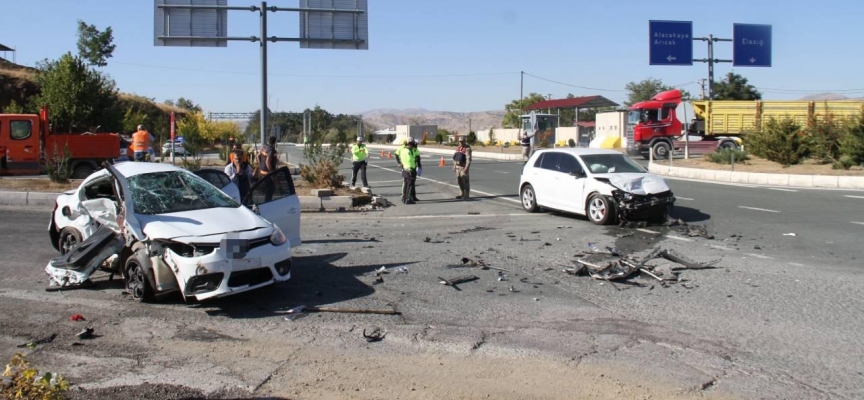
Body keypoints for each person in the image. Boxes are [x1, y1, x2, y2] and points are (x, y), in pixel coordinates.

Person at [396, 137, 421, 204]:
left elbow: (417, 157)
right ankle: (407, 198)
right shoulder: (407, 151)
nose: (414, 146)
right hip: (409, 169)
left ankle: (405, 198)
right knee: (408, 184)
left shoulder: (407, 150)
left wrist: (418, 164)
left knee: (407, 183)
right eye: (412, 145)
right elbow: (410, 160)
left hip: (406, 168)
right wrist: (399, 163)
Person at [453, 135, 473, 200]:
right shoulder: (458, 148)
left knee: (465, 181)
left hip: (463, 167)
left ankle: (466, 195)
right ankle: (461, 193)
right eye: (460, 141)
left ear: (464, 141)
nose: (461, 143)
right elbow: (455, 158)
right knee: (459, 181)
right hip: (458, 167)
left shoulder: (467, 149)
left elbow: (468, 159)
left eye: (462, 141)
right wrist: (454, 166)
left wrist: (466, 168)